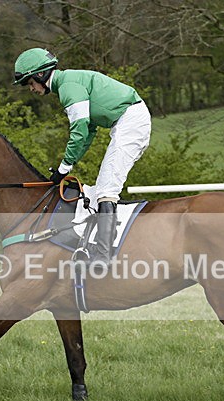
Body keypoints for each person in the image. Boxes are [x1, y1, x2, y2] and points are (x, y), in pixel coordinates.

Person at [13, 48, 151, 267]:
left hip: (131, 122)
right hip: (128, 121)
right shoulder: (68, 83)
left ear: (40, 74)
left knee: (107, 189)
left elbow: (79, 131)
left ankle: (104, 256)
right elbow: (88, 132)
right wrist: (68, 165)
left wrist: (64, 167)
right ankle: (97, 246)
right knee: (101, 188)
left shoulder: (68, 87)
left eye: (30, 83)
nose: (31, 89)